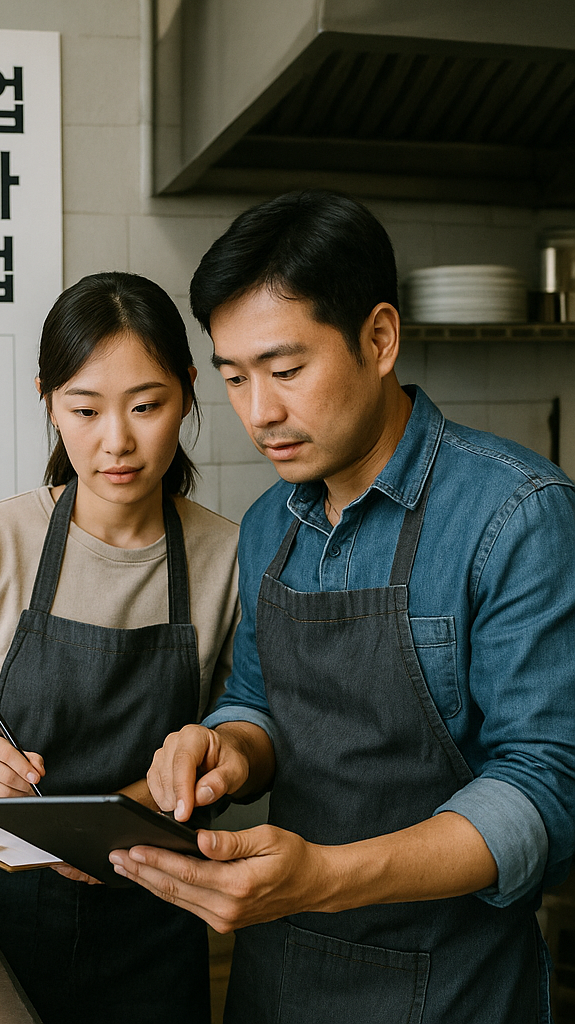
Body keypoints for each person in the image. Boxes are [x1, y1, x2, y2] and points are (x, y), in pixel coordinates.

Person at [108, 190, 575, 1023]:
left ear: (380, 338)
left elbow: (546, 785)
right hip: (279, 973)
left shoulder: (517, 513)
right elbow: (260, 703)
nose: (260, 414)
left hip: (453, 987)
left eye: (287, 371)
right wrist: (225, 750)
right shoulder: (268, 527)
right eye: (235, 379)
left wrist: (323, 877)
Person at [0, 271, 240, 1024]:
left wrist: (120, 825)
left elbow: (235, 740)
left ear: (188, 393)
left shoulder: (230, 558)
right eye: (84, 409)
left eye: (146, 406)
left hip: (154, 904)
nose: (115, 441)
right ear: (49, 401)